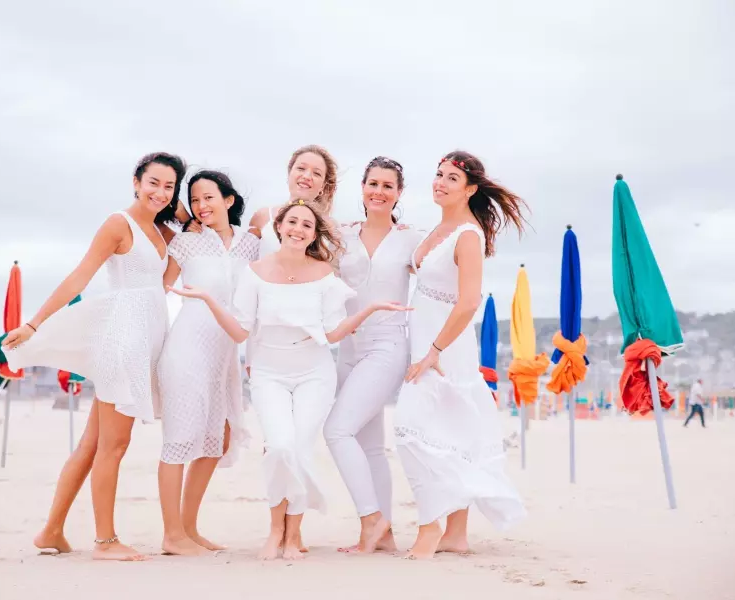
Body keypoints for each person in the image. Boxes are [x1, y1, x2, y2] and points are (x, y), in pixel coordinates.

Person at [167, 199, 411, 560]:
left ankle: (292, 533)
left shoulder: (325, 273)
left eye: (306, 225)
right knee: (280, 445)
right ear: (279, 226)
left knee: (299, 450)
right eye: (292, 222)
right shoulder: (255, 271)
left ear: (313, 234)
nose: (298, 229)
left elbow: (332, 334)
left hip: (315, 372)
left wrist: (370, 309)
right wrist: (205, 298)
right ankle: (276, 530)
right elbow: (239, 332)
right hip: (269, 373)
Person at [3, 152, 186, 561]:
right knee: (114, 446)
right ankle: (105, 542)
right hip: (123, 340)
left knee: (91, 444)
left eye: (169, 186)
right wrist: (34, 324)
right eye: (152, 182)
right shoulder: (118, 224)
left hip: (146, 341)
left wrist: (179, 210)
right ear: (135, 182)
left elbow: (181, 252)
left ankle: (51, 530)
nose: (159, 192)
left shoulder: (163, 235)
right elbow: (81, 275)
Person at [393, 151, 528, 560]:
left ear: (470, 189)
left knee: (409, 431)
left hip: (445, 350)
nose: (440, 182)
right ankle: (456, 534)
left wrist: (434, 351)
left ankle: (430, 526)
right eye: (437, 175)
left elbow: (469, 303)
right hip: (423, 347)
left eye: (451, 178)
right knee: (451, 435)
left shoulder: (467, 235)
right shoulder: (435, 230)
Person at [157, 170, 259, 556]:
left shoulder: (251, 244)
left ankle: (188, 528)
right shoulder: (186, 244)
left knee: (218, 439)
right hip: (187, 348)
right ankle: (171, 536)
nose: (201, 206)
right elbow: (163, 288)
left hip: (225, 357)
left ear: (228, 200)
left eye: (209, 198)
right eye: (195, 199)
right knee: (180, 440)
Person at [324, 156, 422, 554]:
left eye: (387, 186)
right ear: (362, 187)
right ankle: (385, 533)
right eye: (373, 184)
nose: (379, 192)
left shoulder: (412, 238)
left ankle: (371, 521)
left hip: (387, 344)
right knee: (370, 445)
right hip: (346, 346)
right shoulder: (340, 234)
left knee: (336, 430)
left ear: (399, 194)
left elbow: (441, 281)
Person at [248, 145, 339, 255]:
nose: (307, 176)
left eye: (316, 173)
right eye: (301, 168)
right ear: (289, 173)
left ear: (322, 186)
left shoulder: (331, 227)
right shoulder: (263, 216)